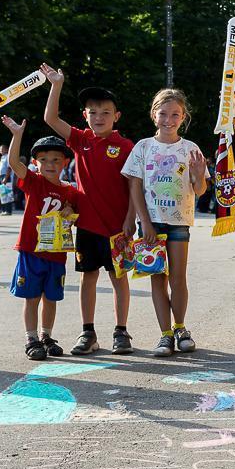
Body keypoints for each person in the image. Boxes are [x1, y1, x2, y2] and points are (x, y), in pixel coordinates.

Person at [41, 65, 137, 355]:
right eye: (93, 112)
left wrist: (131, 219)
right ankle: (88, 332)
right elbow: (50, 119)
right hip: (87, 226)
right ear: (85, 115)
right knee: (88, 277)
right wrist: (56, 85)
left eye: (105, 112)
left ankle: (121, 331)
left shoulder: (126, 146)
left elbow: (134, 187)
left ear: (116, 116)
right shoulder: (80, 139)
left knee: (119, 278)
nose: (99, 117)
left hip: (118, 227)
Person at [123, 88, 209, 357]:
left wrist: (199, 175)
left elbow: (200, 190)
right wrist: (144, 222)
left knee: (178, 278)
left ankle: (181, 328)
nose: (168, 120)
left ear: (183, 117)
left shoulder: (190, 149)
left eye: (175, 115)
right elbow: (135, 187)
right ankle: (165, 334)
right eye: (163, 114)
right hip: (151, 223)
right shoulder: (143, 147)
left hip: (179, 222)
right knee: (157, 279)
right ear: (154, 115)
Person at [1, 118, 79, 360]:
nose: (50, 164)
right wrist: (17, 135)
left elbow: (73, 216)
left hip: (56, 254)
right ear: (35, 163)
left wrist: (70, 211)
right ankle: (31, 338)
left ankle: (46, 335)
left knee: (51, 297)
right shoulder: (34, 182)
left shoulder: (70, 191)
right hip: (31, 250)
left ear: (65, 162)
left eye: (56, 160)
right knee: (32, 296)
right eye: (43, 160)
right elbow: (14, 163)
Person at [0, 144, 15, 216]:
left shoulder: (8, 156)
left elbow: (9, 168)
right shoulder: (2, 157)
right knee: (2, 194)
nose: (1, 150)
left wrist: (6, 178)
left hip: (5, 176)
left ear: (7, 150)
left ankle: (8, 210)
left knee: (7, 193)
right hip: (0, 176)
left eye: (2, 149)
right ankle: (4, 210)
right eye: (0, 149)